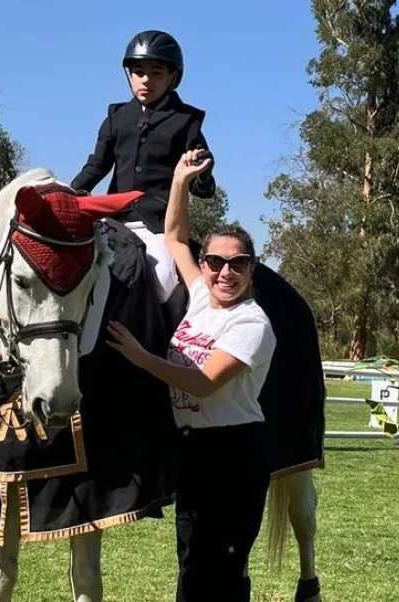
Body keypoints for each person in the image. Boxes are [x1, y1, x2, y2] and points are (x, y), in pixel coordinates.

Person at [106, 149, 274, 601]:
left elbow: (202, 382)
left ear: (251, 268)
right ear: (204, 266)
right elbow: (176, 237)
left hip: (235, 453)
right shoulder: (201, 298)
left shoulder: (252, 323)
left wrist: (141, 357)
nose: (225, 272)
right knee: (191, 562)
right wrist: (179, 181)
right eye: (215, 262)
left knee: (224, 569)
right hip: (195, 450)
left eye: (238, 263)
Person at [70, 30, 216, 304]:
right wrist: (67, 194)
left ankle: (169, 332)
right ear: (130, 76)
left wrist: (203, 172)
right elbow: (97, 166)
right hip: (113, 221)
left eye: (156, 72)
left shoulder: (186, 121)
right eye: (138, 72)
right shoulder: (116, 117)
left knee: (163, 280)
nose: (145, 79)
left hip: (159, 226)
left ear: (173, 77)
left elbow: (203, 191)